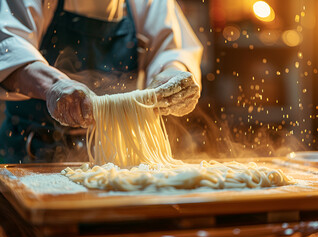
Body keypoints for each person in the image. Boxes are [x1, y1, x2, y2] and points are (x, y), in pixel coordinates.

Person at [0, 0, 203, 163]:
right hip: (31, 153)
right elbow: (9, 47)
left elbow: (172, 51)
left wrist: (173, 73)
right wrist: (55, 85)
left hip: (120, 158)